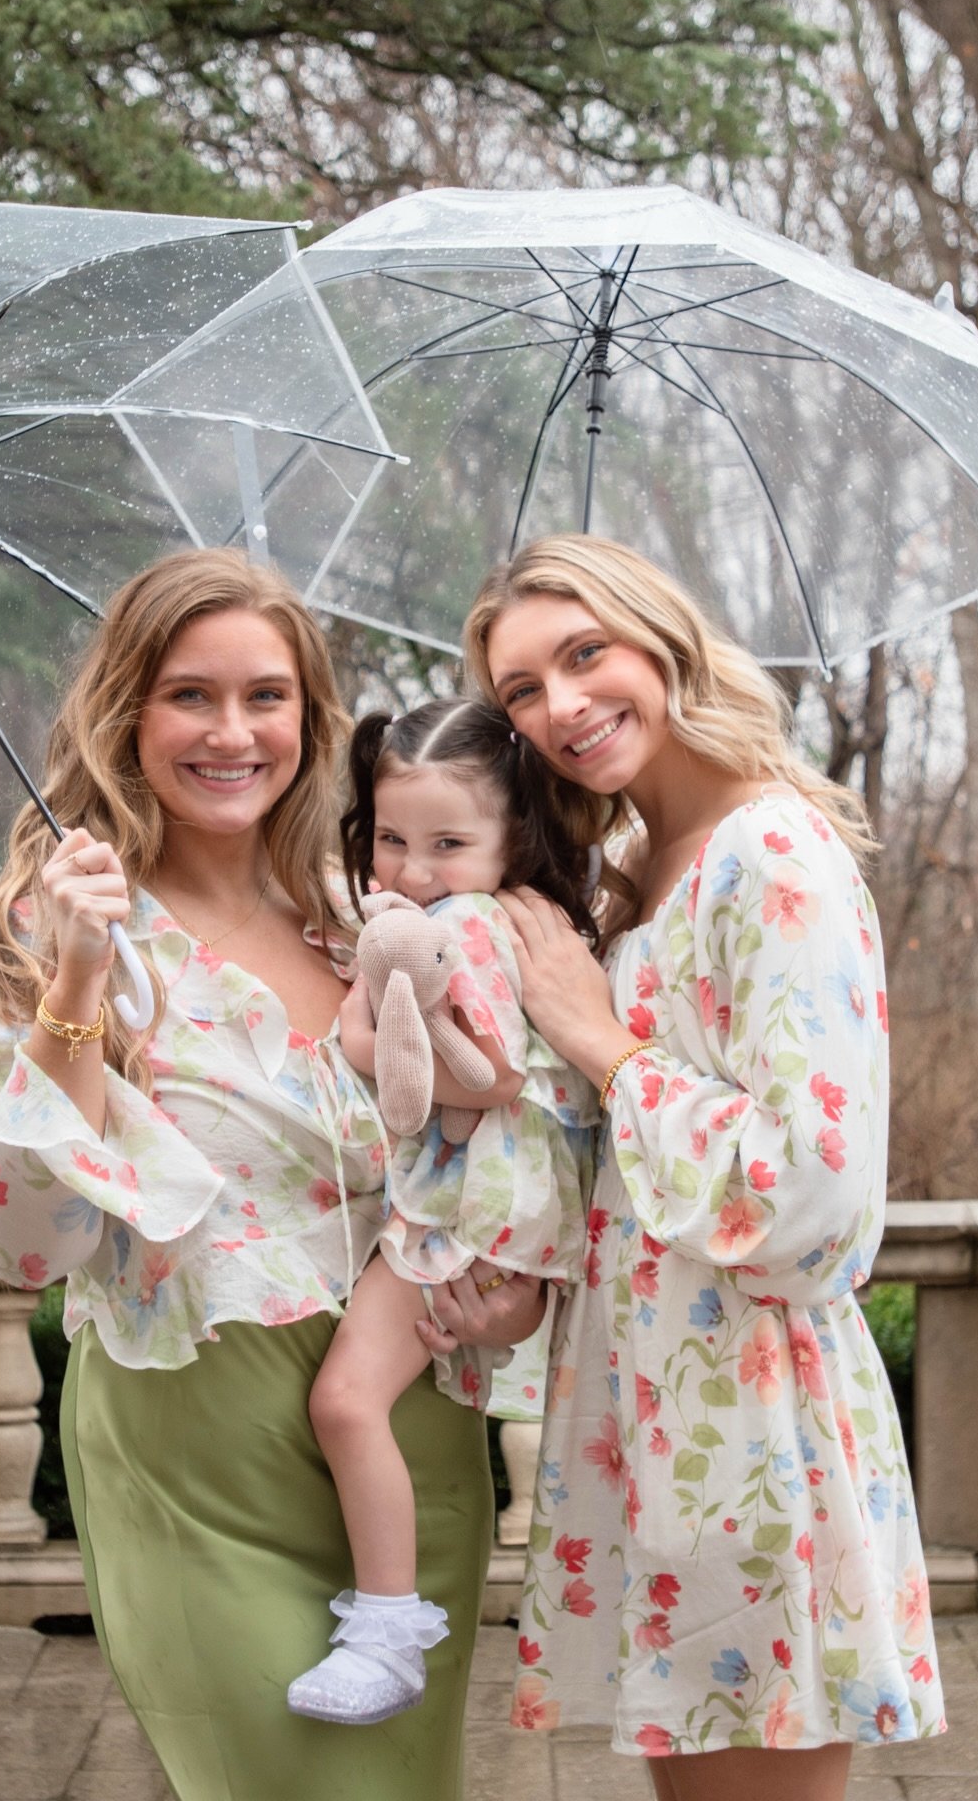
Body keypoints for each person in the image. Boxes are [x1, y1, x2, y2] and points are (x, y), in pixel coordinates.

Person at [0, 548, 494, 1801]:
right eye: (191, 695)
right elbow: (16, 1242)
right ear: (127, 712)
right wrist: (78, 978)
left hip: (408, 1442)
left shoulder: (367, 917)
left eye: (266, 696)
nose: (233, 733)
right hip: (193, 1445)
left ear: (310, 715)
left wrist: (501, 1288)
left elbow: (482, 1151)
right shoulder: (51, 928)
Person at [422, 535, 945, 1800]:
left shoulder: (773, 853)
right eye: (523, 688)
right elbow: (615, 1173)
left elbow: (814, 1191)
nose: (561, 705)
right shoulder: (638, 875)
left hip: (753, 1413)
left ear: (663, 643)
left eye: (585, 653)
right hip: (653, 1405)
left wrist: (603, 1042)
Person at [286, 698, 599, 1726]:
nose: (415, 870)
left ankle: (386, 1631)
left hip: (467, 1214)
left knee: (346, 1403)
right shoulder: (506, 918)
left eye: (448, 844)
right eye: (393, 839)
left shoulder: (465, 926)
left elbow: (486, 1077)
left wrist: (358, 1034)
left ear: (514, 835)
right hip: (504, 1210)